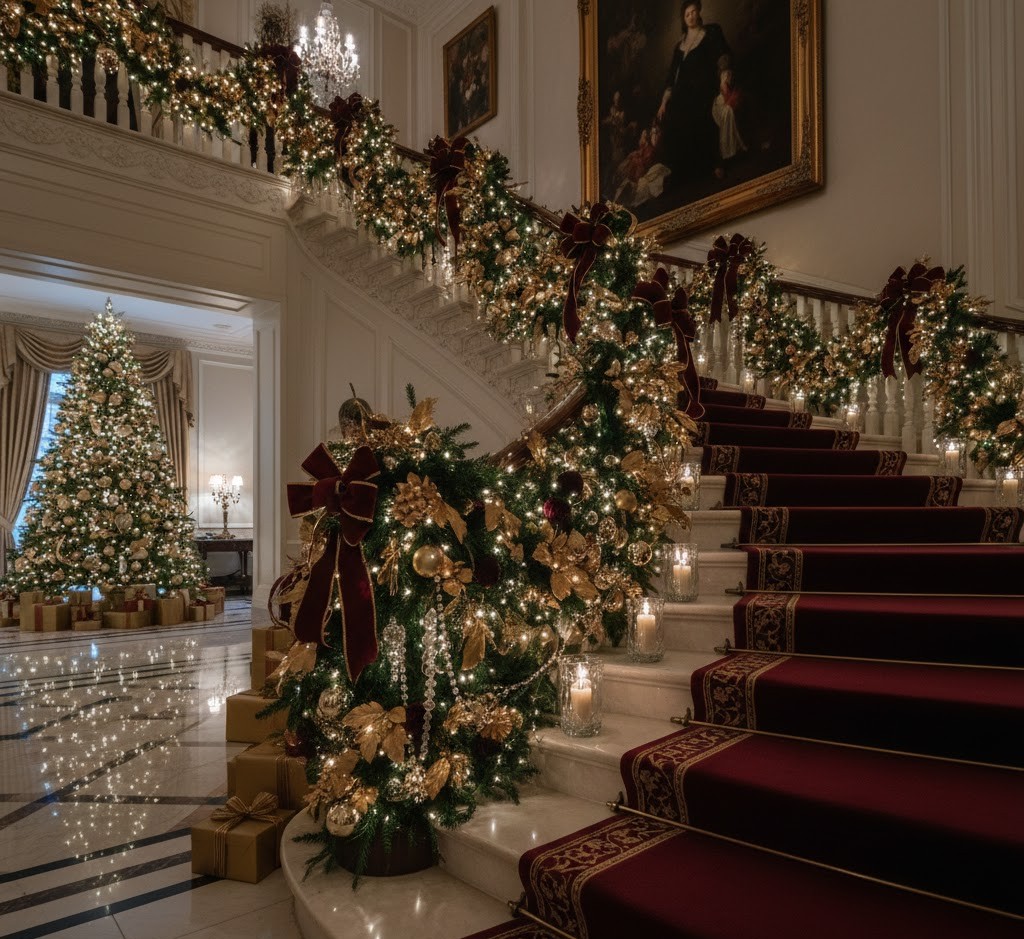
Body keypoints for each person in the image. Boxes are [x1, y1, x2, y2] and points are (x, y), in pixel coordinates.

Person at [655, 0, 730, 184]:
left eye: (694, 12)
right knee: (673, 115)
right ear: (683, 18)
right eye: (687, 14)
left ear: (699, 12)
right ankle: (685, 170)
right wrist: (663, 103)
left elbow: (721, 56)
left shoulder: (709, 33)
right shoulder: (679, 47)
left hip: (704, 87)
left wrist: (724, 78)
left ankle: (714, 163)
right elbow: (671, 79)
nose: (691, 16)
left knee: (701, 111)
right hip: (683, 93)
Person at [712, 56, 746, 161]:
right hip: (720, 105)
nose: (728, 75)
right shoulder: (724, 78)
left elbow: (731, 92)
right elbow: (726, 95)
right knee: (728, 111)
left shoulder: (729, 74)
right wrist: (732, 100)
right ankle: (730, 151)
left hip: (725, 100)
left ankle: (734, 149)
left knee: (733, 107)